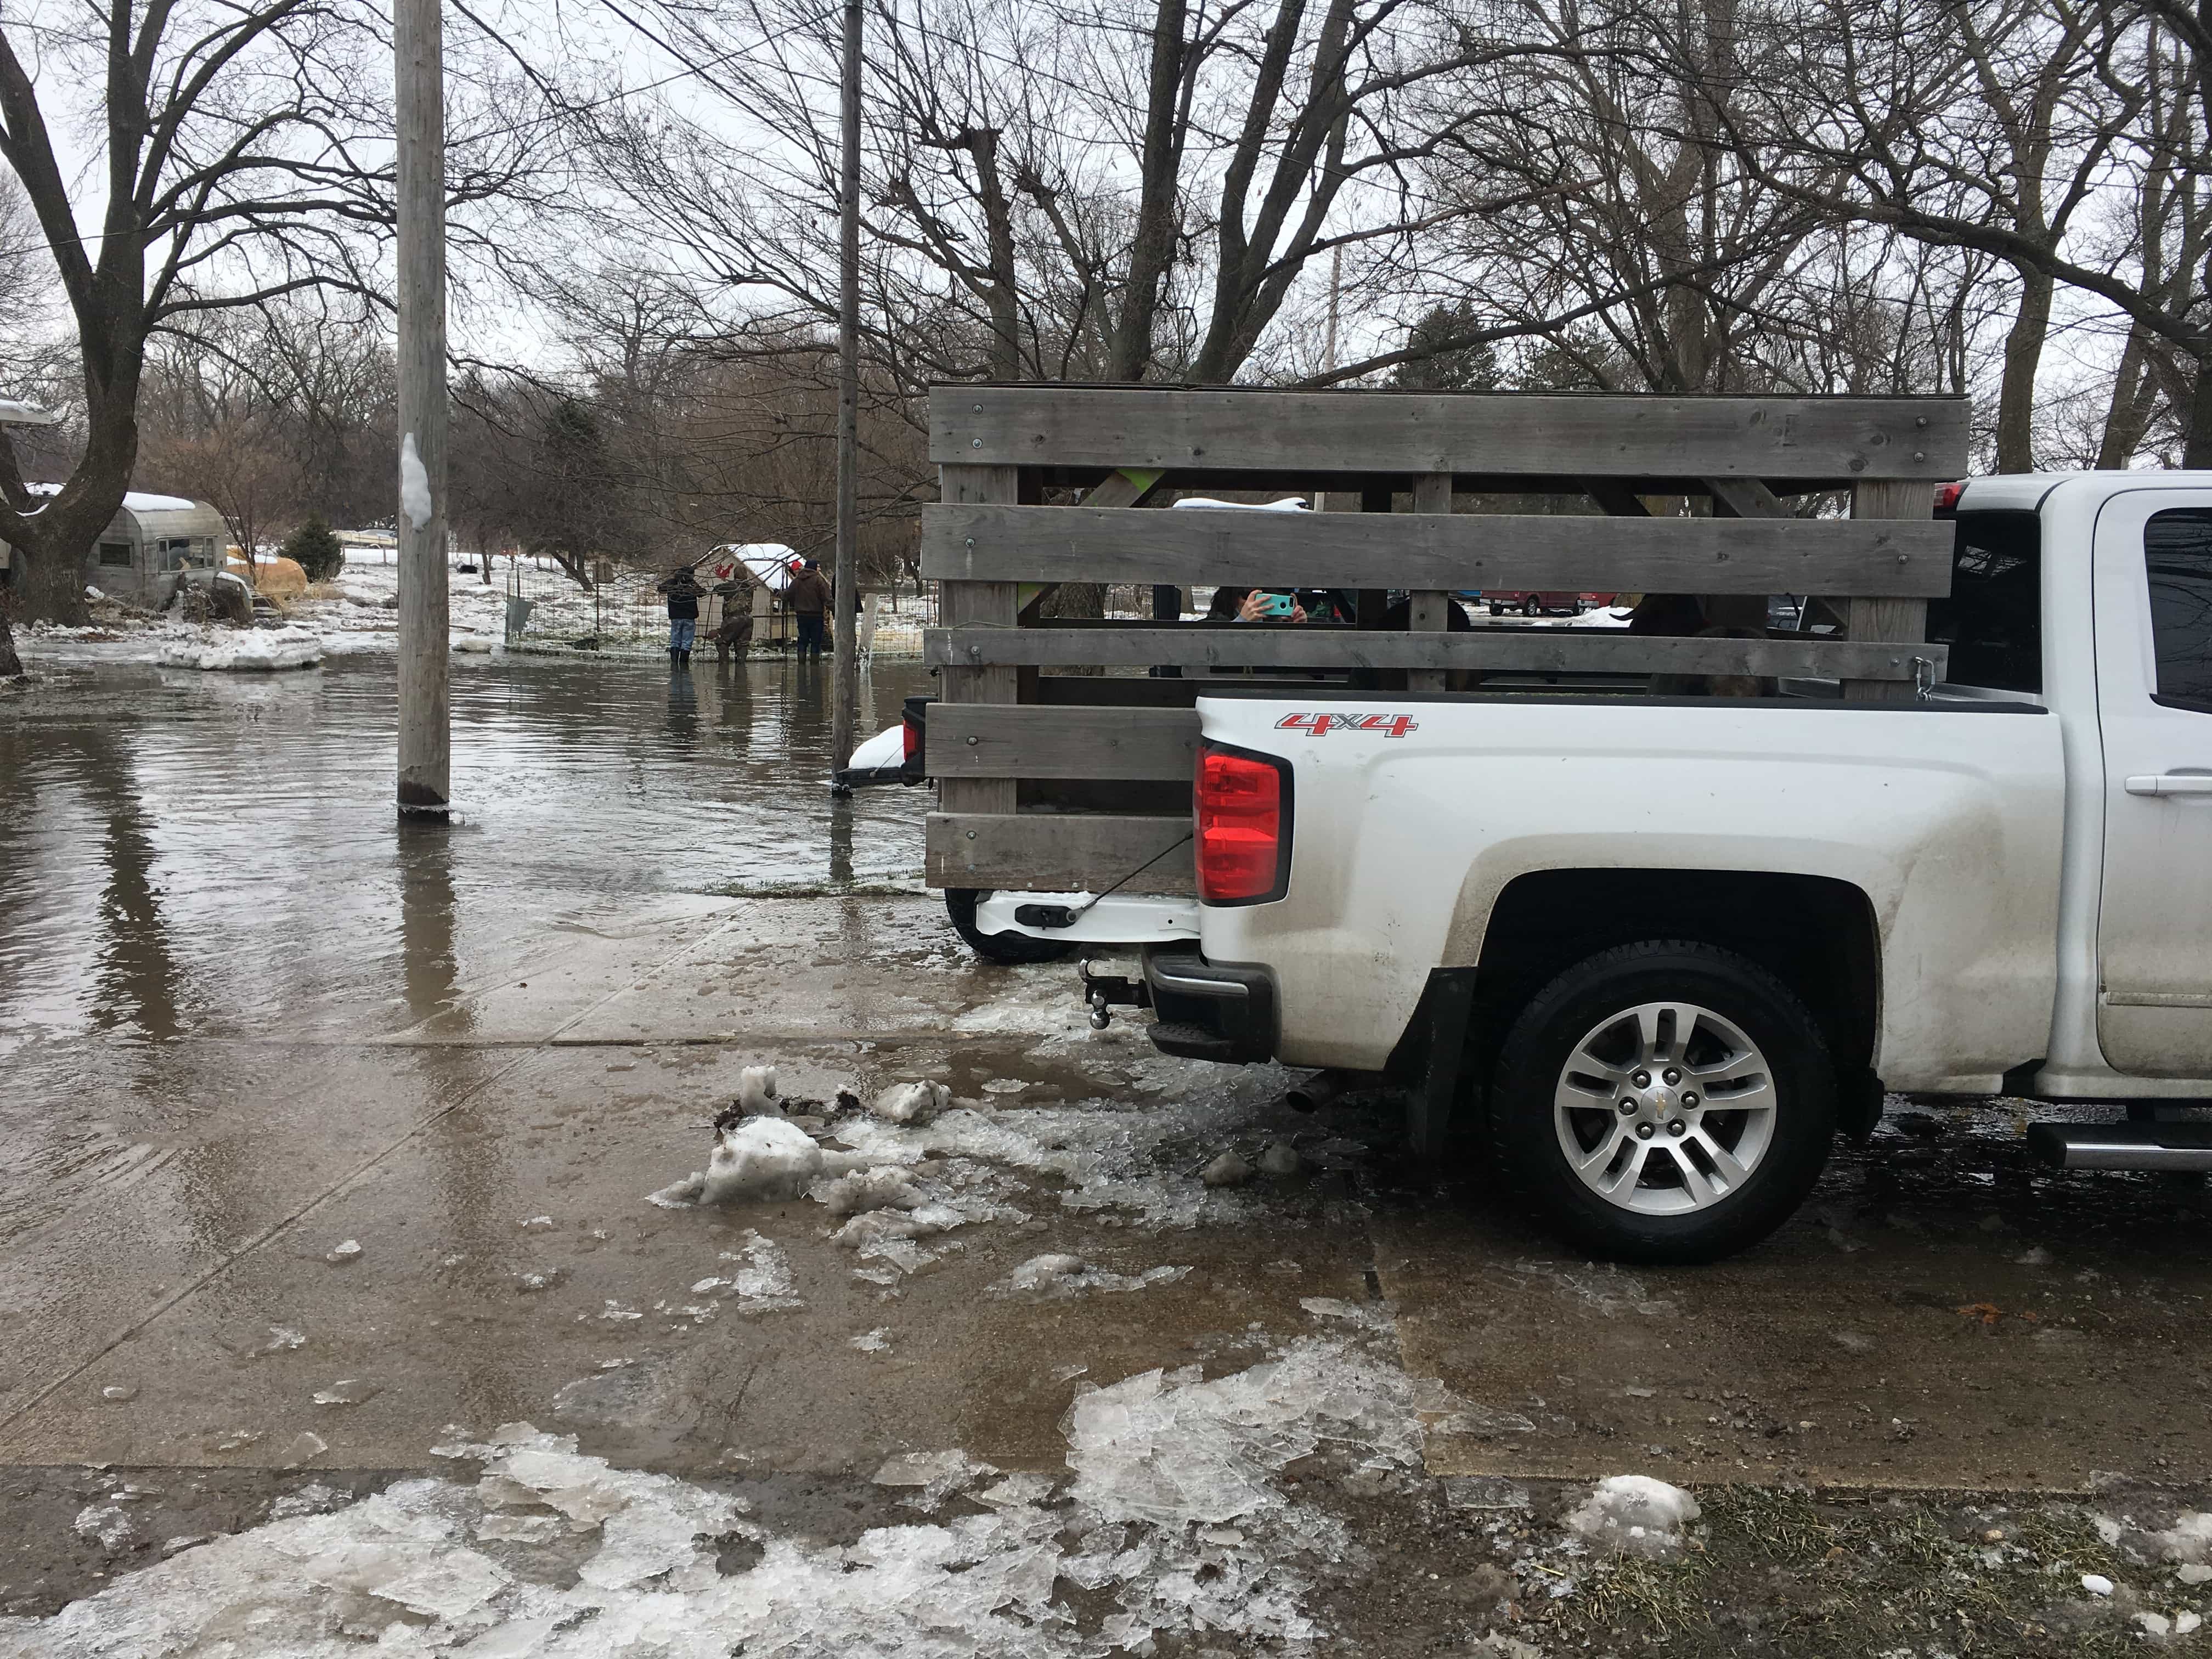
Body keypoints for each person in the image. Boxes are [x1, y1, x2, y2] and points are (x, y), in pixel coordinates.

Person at [785, 557, 832, 661]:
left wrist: (778, 593)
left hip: (801, 615)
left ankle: (801, 666)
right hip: (816, 616)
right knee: (816, 642)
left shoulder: (797, 580)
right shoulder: (818, 580)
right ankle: (814, 668)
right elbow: (827, 598)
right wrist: (836, 610)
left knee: (802, 640)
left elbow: (787, 595)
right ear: (815, 568)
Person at [657, 566, 702, 667]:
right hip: (689, 618)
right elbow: (702, 592)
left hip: (676, 617)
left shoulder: (672, 582)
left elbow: (660, 588)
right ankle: (683, 666)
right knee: (687, 643)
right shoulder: (692, 584)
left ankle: (674, 665)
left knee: (675, 642)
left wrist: (674, 589)